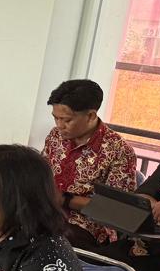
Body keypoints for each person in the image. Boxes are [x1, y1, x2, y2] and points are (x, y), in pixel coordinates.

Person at [42, 78, 137, 248]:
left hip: (85, 226)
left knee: (47, 241)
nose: (59, 125)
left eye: (67, 120)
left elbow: (119, 210)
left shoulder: (118, 150)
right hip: (44, 212)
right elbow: (40, 174)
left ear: (91, 116)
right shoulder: (55, 136)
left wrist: (64, 200)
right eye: (56, 118)